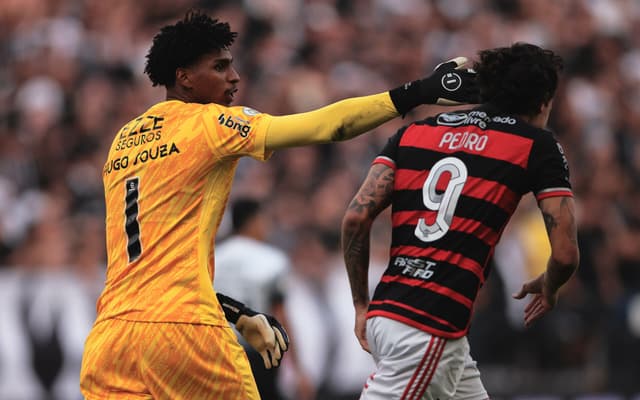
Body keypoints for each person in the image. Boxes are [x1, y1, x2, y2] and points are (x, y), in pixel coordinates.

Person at [79, 9, 479, 400]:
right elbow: (328, 126)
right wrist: (417, 93)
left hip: (110, 339)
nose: (234, 77)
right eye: (219, 67)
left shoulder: (123, 142)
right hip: (183, 330)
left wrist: (236, 313)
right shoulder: (209, 124)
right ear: (184, 77)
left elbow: (152, 270)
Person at [341, 42, 580, 400]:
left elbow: (356, 217)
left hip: (392, 312)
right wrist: (550, 284)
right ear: (544, 101)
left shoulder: (413, 132)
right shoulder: (536, 145)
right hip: (428, 323)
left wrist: (361, 304)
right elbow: (564, 255)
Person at [214, 197, 311, 400]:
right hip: (259, 353)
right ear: (254, 221)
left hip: (219, 351)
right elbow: (281, 315)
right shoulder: (272, 259)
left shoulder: (214, 258)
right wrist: (298, 369)